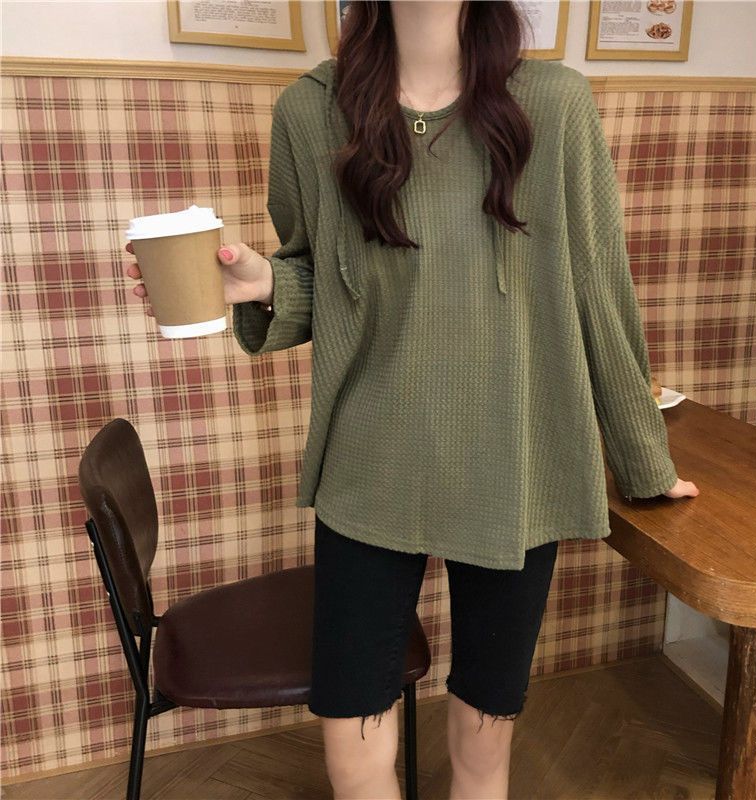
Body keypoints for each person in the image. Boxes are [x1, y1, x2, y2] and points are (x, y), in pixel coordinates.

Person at [126, 2, 700, 797]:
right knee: (353, 741)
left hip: (515, 460)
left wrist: (643, 461)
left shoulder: (556, 105)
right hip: (370, 461)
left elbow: (599, 288)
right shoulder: (308, 112)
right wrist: (261, 282)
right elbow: (327, 284)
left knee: (485, 739)